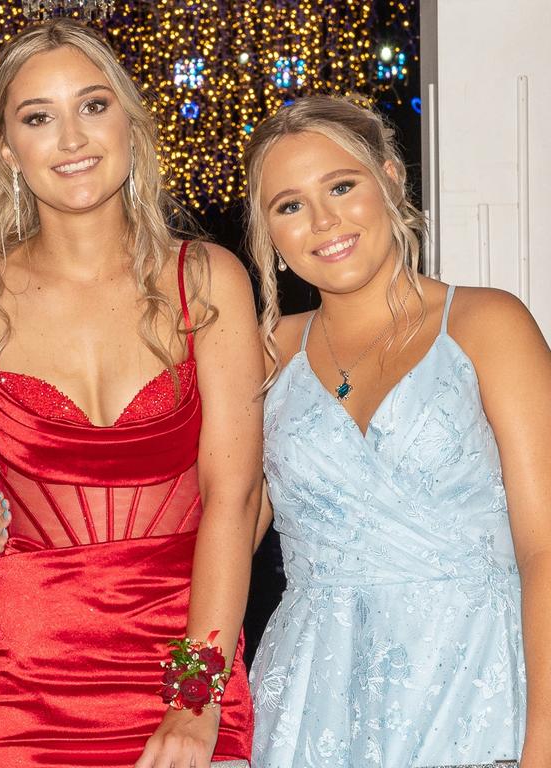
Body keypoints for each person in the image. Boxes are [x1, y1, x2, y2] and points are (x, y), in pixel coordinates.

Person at [0, 19, 263, 768]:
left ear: (130, 121)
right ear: (5, 149)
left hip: (188, 660)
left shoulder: (207, 280)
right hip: (24, 682)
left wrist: (195, 698)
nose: (72, 138)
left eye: (92, 105)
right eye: (37, 117)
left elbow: (234, 496)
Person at [242, 95, 549, 767]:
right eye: (289, 206)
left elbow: (544, 549)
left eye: (342, 186)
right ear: (270, 235)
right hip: (307, 701)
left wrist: (545, 744)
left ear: (390, 178)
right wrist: (21, 500)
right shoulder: (263, 358)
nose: (323, 220)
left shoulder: (488, 324)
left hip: (476, 687)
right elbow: (210, 533)